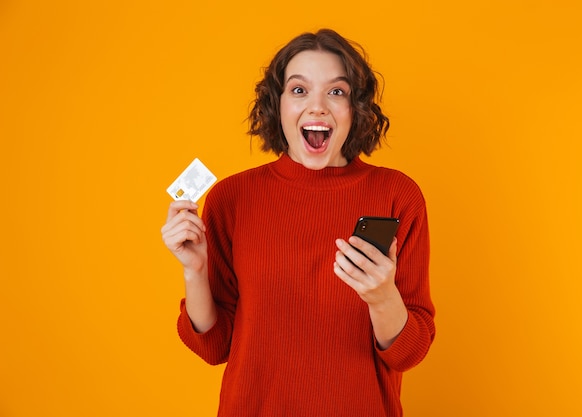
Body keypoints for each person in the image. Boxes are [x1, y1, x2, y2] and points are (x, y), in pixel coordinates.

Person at [161, 28, 435, 417]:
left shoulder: (397, 195)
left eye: (336, 92)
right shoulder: (232, 198)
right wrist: (195, 269)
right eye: (299, 90)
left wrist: (382, 297)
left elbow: (410, 353)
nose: (318, 107)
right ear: (278, 105)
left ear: (355, 108)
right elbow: (214, 346)